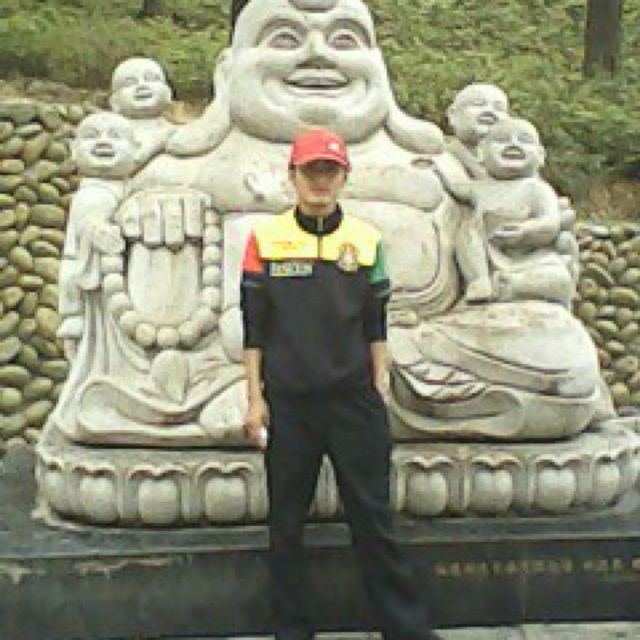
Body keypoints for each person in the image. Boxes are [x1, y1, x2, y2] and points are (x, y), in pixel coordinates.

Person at [240, 128, 441, 640]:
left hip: (353, 402)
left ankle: (406, 631)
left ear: (344, 178)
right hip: (291, 403)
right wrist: (254, 400)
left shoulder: (367, 240)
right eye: (311, 171)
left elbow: (376, 324)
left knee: (374, 521)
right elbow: (254, 329)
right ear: (292, 176)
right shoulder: (265, 239)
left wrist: (379, 384)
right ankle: (292, 630)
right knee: (286, 525)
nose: (320, 181)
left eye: (329, 171)